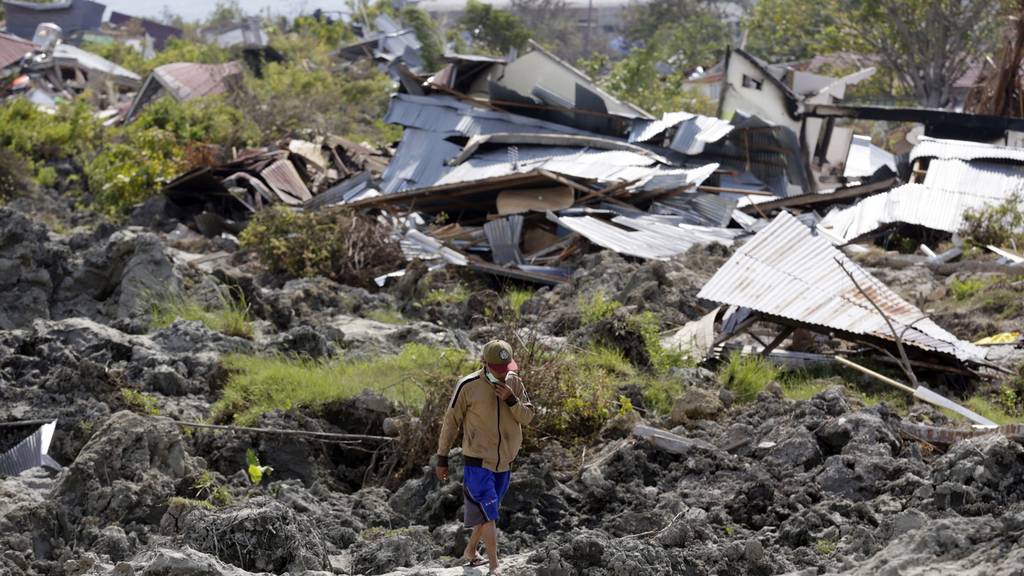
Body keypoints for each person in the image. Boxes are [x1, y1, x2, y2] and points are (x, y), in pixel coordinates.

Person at [435, 339, 534, 574]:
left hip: (505, 462)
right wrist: (442, 458)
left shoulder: (515, 384)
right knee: (490, 513)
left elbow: (528, 417)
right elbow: (450, 423)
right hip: (477, 461)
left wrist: (511, 400)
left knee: (488, 511)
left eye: (505, 370)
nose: (502, 375)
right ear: (484, 363)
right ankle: (494, 566)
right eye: (497, 370)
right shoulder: (468, 386)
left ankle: (470, 551)